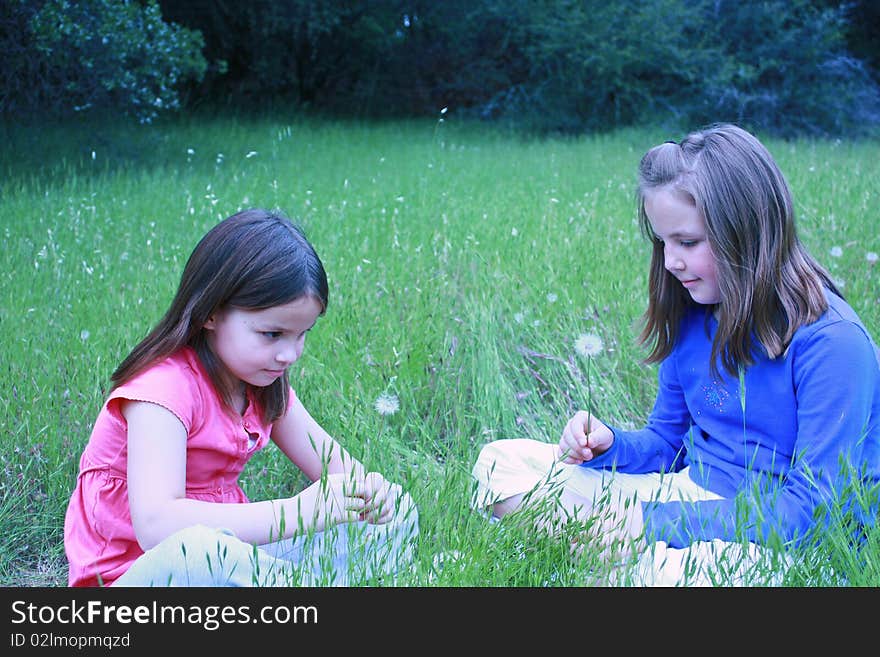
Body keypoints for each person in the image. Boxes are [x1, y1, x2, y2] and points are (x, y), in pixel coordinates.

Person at [472, 123, 880, 586]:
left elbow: (811, 513)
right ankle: (599, 552)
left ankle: (595, 552)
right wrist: (611, 445)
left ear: (747, 233)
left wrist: (648, 523)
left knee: (680, 574)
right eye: (663, 242)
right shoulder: (694, 314)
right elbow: (667, 446)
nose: (670, 262)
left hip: (771, 538)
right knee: (499, 462)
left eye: (687, 242)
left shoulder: (833, 345)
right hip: (686, 495)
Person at [64, 208, 418, 587]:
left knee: (397, 510)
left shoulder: (262, 383)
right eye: (272, 334)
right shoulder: (162, 391)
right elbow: (156, 527)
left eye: (302, 334)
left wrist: (370, 495)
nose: (290, 354)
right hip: (144, 575)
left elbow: (342, 473)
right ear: (211, 313)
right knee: (201, 553)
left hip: (234, 559)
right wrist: (299, 511)